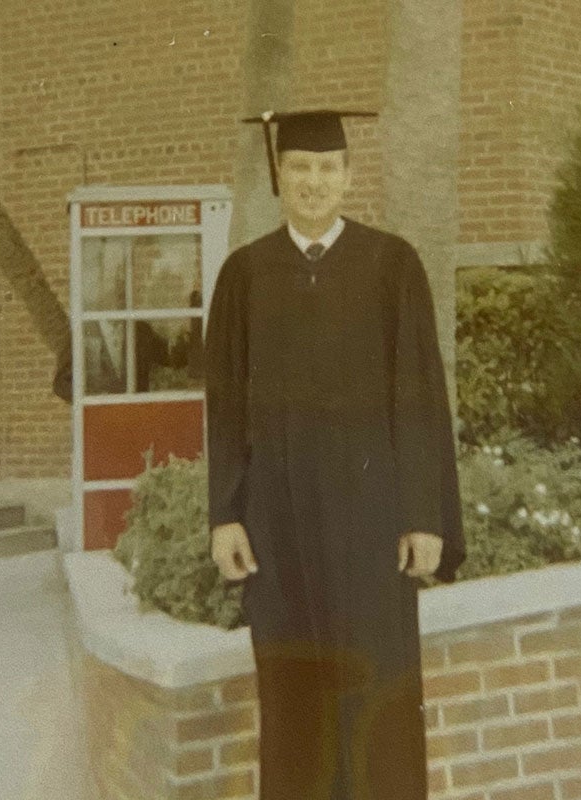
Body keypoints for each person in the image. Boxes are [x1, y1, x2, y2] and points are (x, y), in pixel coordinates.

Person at [204, 109, 465, 800]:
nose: (313, 183)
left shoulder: (391, 265)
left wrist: (424, 516)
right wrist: (224, 514)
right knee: (292, 693)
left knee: (380, 686)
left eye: (327, 168)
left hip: (373, 522)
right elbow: (225, 407)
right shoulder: (245, 274)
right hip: (278, 524)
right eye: (299, 169)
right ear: (278, 177)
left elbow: (419, 398)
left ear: (349, 176)